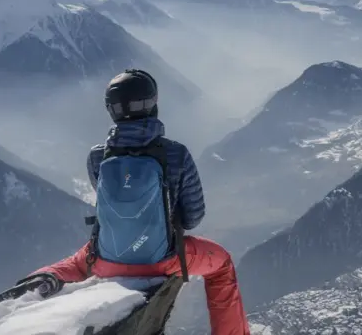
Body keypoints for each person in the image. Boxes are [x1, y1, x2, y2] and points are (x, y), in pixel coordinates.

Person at [15, 69, 251, 335]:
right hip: (162, 259)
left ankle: (42, 280)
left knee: (78, 262)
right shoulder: (175, 153)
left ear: (111, 110)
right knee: (222, 264)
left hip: (105, 260)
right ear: (153, 104)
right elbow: (192, 217)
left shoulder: (97, 157)